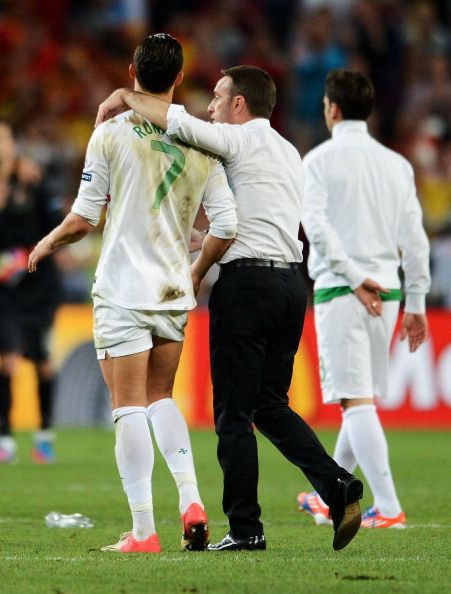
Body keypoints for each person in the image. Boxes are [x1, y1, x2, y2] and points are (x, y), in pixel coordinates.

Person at [95, 65, 364, 552]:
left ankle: (245, 529)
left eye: (218, 98)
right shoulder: (287, 150)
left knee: (233, 417)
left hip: (247, 287)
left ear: (240, 105)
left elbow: (173, 119)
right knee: (271, 406)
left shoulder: (235, 140)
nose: (211, 107)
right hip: (288, 285)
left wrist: (122, 95)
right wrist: (194, 241)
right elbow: (249, 220)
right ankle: (338, 484)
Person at [28, 33, 238, 554]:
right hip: (172, 286)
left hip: (123, 288)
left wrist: (47, 241)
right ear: (180, 78)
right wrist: (197, 266)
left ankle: (144, 530)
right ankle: (191, 498)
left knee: (127, 407)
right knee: (160, 397)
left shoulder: (111, 133)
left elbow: (82, 219)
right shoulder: (202, 138)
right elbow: (223, 223)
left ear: (131, 72)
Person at [297, 69, 430, 529]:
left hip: (343, 291)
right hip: (389, 294)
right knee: (362, 398)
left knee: (355, 402)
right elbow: (415, 239)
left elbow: (315, 227)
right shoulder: (398, 164)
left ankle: (389, 508)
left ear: (331, 108)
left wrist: (353, 278)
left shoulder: (317, 161)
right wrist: (415, 302)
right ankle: (326, 495)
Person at [0, 119, 62, 464]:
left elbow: (56, 225)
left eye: (3, 139)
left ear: (13, 144)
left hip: (38, 286)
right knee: (6, 362)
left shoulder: (31, 180)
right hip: (5, 291)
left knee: (42, 363)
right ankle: (5, 437)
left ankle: (44, 435)